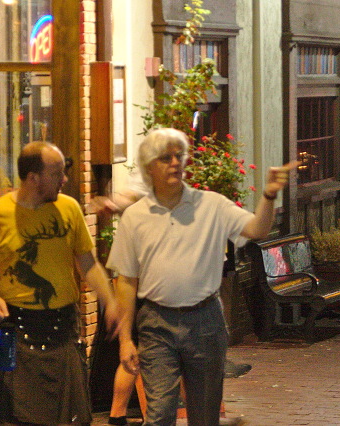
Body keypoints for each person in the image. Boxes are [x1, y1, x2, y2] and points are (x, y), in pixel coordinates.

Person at [106, 128, 298, 425]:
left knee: (205, 414)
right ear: (148, 168)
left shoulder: (212, 205)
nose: (174, 163)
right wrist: (126, 341)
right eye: (165, 158)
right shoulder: (135, 217)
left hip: (205, 320)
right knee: (159, 415)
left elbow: (256, 229)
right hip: (157, 322)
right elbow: (127, 280)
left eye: (178, 156)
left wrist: (269, 194)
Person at [0, 142, 122, 425]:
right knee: (15, 418)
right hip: (15, 329)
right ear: (33, 178)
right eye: (57, 173)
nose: (64, 179)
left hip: (62, 329)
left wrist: (110, 302)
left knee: (71, 419)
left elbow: (88, 264)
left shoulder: (69, 208)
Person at [93, 171, 252, 426]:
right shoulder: (145, 201)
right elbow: (130, 199)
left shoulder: (199, 210)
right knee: (156, 407)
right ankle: (117, 414)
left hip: (192, 312)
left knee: (199, 406)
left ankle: (118, 414)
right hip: (154, 308)